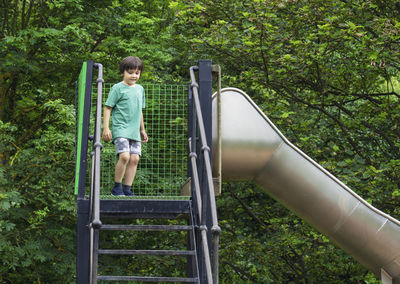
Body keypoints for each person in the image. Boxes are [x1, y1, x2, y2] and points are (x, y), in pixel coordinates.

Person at [102, 56, 148, 196]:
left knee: (135, 159)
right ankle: (117, 188)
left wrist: (142, 129)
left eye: (137, 73)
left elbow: (140, 110)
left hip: (134, 130)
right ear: (123, 72)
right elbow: (108, 108)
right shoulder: (118, 88)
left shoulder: (140, 89)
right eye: (130, 72)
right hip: (121, 127)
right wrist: (106, 128)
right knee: (125, 157)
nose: (134, 75)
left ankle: (127, 189)